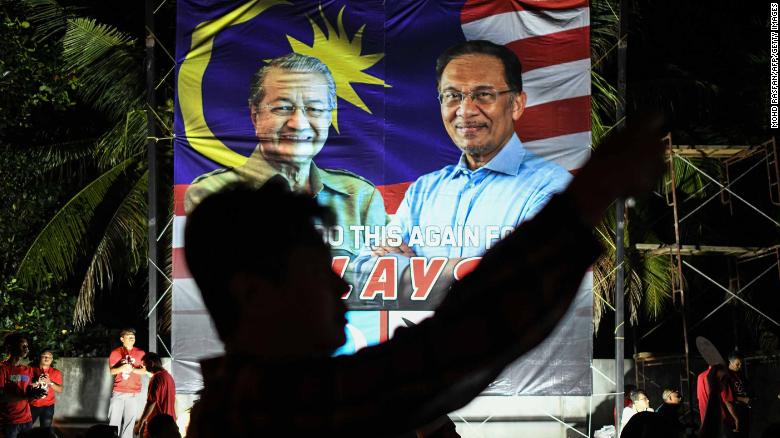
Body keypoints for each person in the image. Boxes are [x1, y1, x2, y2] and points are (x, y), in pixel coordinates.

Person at [182, 114, 666, 436]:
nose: (338, 286)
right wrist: (589, 195)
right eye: (313, 270)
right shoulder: (271, 410)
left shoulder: (246, 400)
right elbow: (456, 346)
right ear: (252, 292)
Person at [363, 40, 571, 272]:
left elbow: (521, 280)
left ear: (517, 104)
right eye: (452, 95)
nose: (465, 110)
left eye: (483, 94)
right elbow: (370, 268)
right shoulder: (423, 191)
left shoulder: (552, 187)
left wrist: (410, 270)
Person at [184, 52, 387, 255]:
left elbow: (382, 277)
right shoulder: (212, 193)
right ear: (255, 116)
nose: (298, 124)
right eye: (283, 108)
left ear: (328, 119)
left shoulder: (361, 198)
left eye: (314, 109)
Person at [1, 334, 45, 438]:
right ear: (12, 347)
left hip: (27, 420)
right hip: (9, 421)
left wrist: (35, 394)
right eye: (23, 346)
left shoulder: (28, 370)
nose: (27, 349)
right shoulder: (3, 369)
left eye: (27, 346)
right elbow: (2, 397)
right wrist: (26, 396)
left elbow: (27, 393)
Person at [107, 328, 145, 438]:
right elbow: (112, 371)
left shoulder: (140, 353)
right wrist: (122, 367)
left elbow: (143, 370)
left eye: (133, 335)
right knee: (114, 422)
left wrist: (132, 369)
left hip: (133, 393)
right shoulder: (116, 352)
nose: (132, 337)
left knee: (130, 423)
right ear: (122, 339)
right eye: (128, 335)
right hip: (118, 392)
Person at [134, 353, 176, 438]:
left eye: (145, 365)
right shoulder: (169, 377)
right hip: (170, 422)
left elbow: (151, 402)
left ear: (151, 363)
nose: (145, 368)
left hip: (157, 425)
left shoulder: (156, 379)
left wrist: (140, 423)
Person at [697, 364, 739, 435]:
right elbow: (727, 400)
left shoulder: (700, 376)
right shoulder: (720, 375)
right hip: (720, 419)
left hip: (705, 419)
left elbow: (699, 397)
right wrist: (736, 419)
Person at [29, 350, 63, 429]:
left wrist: (49, 382)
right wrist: (37, 382)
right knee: (26, 428)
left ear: (52, 360)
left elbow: (60, 389)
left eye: (49, 357)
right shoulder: (31, 370)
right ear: (40, 357)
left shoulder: (56, 372)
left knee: (46, 430)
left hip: (48, 406)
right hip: (33, 404)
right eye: (44, 356)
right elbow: (26, 386)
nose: (47, 358)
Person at [726, 351, 750, 437]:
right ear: (730, 362)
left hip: (744, 408)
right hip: (734, 410)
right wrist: (743, 399)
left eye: (741, 364)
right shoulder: (726, 375)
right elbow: (726, 396)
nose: (740, 366)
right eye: (737, 364)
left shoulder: (739, 373)